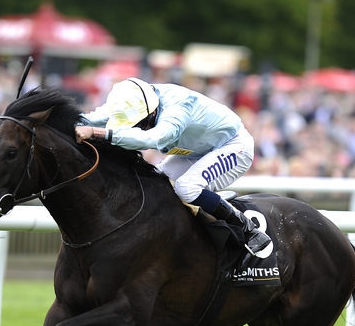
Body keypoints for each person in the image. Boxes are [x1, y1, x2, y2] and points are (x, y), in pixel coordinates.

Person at [74, 77, 271, 256]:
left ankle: (246, 228)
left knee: (187, 188)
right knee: (153, 185)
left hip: (233, 147)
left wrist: (98, 133)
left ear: (152, 112)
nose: (139, 128)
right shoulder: (132, 100)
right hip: (195, 150)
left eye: (141, 124)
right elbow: (90, 119)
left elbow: (153, 138)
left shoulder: (178, 108)